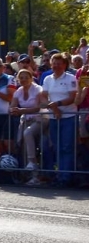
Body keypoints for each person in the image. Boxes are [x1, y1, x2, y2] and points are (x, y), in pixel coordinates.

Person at [41, 53, 78, 187]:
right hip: (53, 117)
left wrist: (58, 105)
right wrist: (53, 108)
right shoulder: (47, 79)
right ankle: (60, 175)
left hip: (68, 117)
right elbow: (44, 96)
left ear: (64, 65)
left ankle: (66, 177)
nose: (56, 66)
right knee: (57, 147)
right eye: (54, 63)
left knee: (67, 147)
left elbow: (72, 97)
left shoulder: (71, 78)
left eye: (59, 63)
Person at [9, 69, 45, 180]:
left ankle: (32, 163)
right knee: (23, 145)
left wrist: (21, 110)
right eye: (21, 78)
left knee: (28, 133)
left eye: (26, 77)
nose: (24, 80)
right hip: (25, 120)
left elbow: (38, 108)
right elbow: (12, 106)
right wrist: (13, 110)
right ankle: (30, 175)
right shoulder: (18, 91)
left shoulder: (38, 89)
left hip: (40, 119)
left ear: (31, 78)